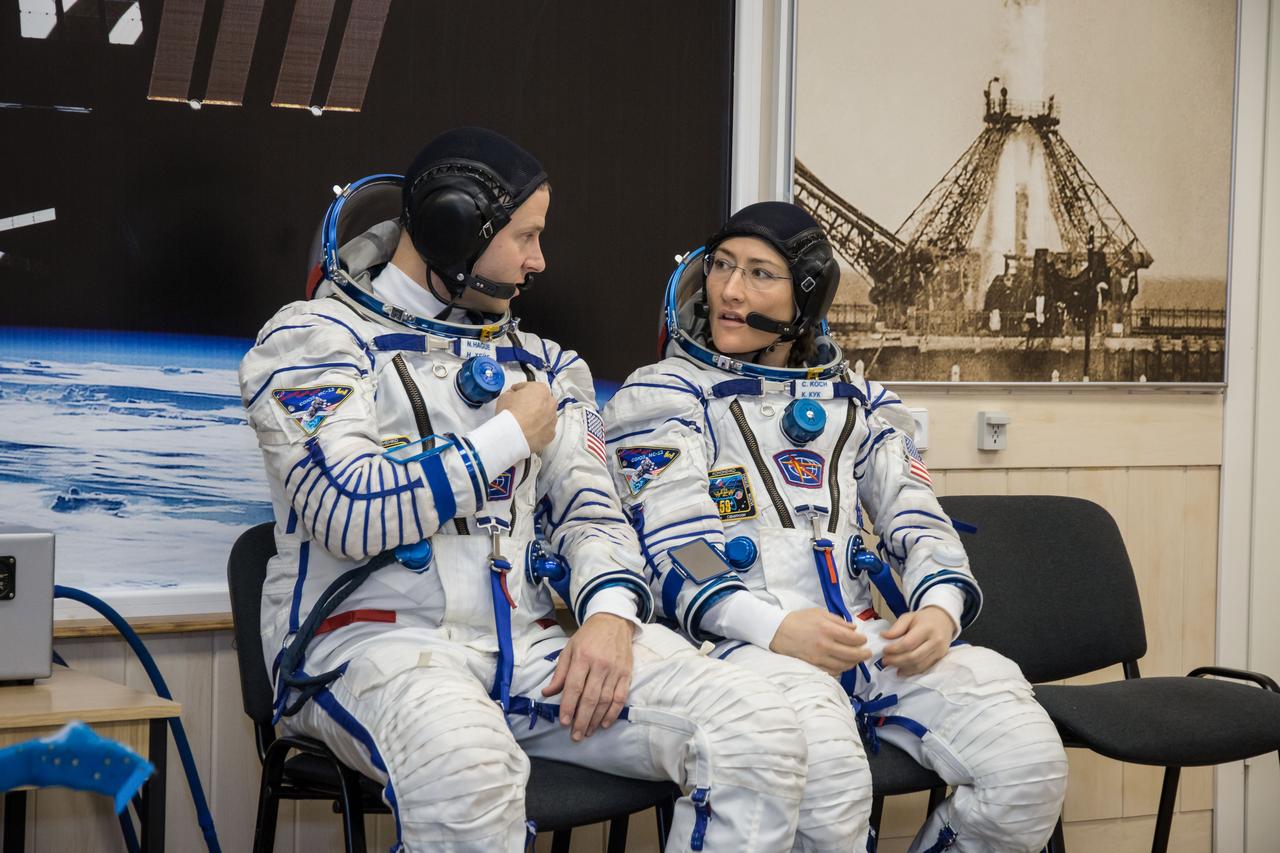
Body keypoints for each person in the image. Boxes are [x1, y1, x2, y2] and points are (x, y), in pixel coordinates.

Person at [239, 129, 810, 852]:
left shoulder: (544, 364)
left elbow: (592, 511)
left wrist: (608, 617)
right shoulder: (312, 340)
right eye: (526, 237)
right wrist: (502, 438)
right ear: (453, 227)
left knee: (757, 729)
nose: (539, 260)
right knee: (471, 774)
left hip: (527, 648)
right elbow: (346, 509)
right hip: (368, 650)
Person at [603, 202, 1068, 852]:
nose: (732, 291)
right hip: (739, 647)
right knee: (832, 785)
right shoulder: (664, 397)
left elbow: (919, 520)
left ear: (806, 297)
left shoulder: (861, 402)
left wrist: (938, 610)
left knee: (1026, 759)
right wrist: (772, 625)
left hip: (860, 640)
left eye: (760, 274)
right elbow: (679, 551)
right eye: (723, 267)